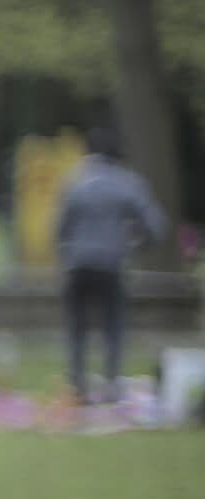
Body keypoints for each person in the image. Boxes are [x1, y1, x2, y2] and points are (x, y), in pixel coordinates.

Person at [54, 125, 169, 404]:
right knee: (113, 325)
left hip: (78, 264)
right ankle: (111, 383)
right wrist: (136, 245)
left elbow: (60, 229)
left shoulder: (75, 182)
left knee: (77, 326)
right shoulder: (127, 183)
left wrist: (68, 253)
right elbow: (156, 226)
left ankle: (78, 385)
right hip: (111, 264)